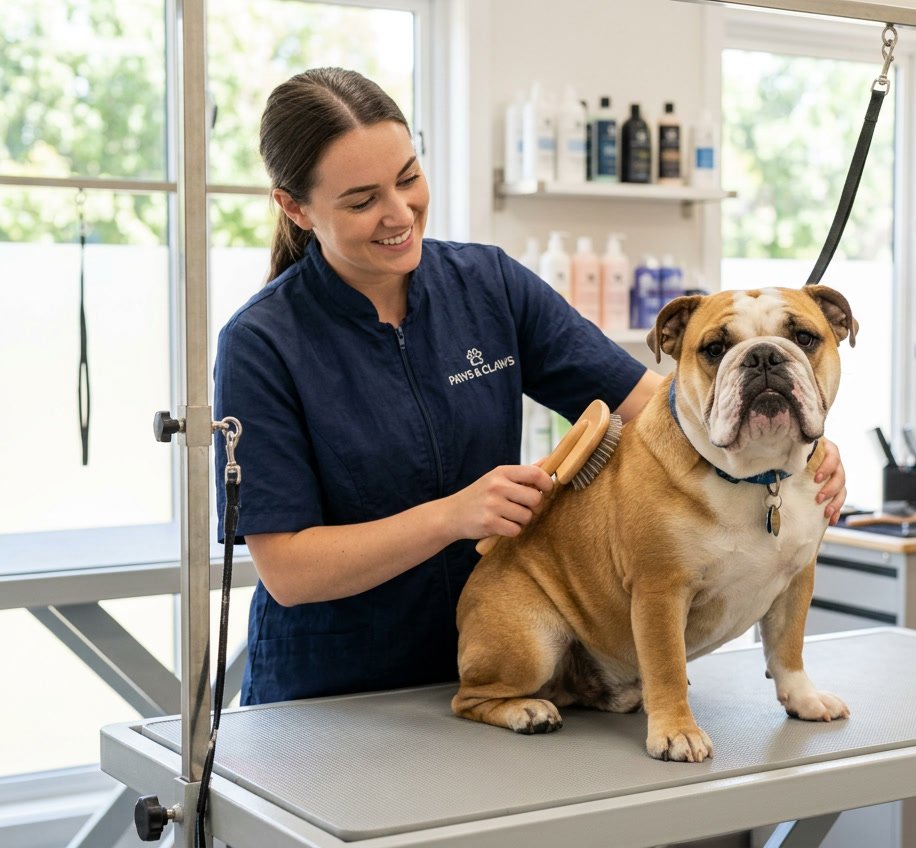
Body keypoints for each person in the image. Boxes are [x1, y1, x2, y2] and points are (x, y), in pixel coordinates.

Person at [214, 67, 847, 706]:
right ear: (295, 207)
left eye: (409, 177)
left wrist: (794, 449)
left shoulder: (487, 287)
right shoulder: (262, 345)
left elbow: (665, 407)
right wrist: (452, 517)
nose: (399, 213)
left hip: (522, 664)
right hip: (337, 692)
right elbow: (289, 570)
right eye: (361, 200)